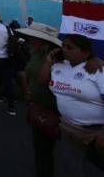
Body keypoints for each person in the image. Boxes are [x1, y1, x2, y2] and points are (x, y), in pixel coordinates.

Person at [41, 33, 104, 172]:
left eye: (70, 47)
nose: (64, 50)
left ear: (86, 52)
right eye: (63, 46)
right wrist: (48, 61)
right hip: (69, 130)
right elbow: (44, 80)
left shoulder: (98, 69)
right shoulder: (59, 65)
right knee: (71, 169)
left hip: (96, 132)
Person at [17, 23, 63, 177]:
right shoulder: (35, 52)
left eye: (32, 37)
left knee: (45, 148)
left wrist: (94, 60)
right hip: (38, 105)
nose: (28, 39)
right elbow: (29, 73)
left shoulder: (57, 55)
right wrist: (28, 91)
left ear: (42, 40)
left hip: (53, 106)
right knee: (41, 148)